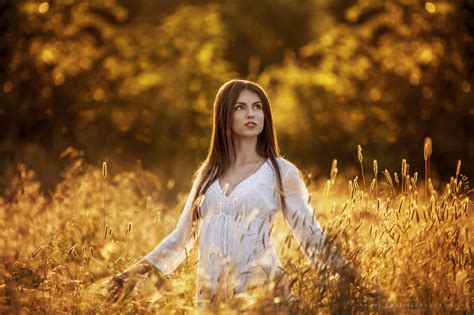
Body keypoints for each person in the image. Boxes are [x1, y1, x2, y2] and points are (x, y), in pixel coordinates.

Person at [107, 79, 358, 309]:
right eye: (240, 107)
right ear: (225, 117)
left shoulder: (281, 172)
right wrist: (128, 276)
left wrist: (349, 276)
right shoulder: (208, 174)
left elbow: (309, 233)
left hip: (265, 296)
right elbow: (180, 238)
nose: (251, 113)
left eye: (257, 106)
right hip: (212, 300)